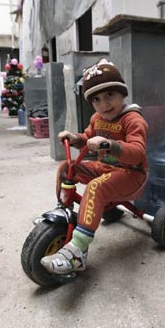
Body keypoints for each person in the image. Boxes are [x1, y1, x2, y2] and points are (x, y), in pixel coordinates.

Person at [40, 59, 148, 275]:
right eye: (96, 99)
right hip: (104, 169)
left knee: (96, 188)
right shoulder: (97, 118)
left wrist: (110, 145)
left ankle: (78, 251)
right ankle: (65, 210)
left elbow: (138, 151)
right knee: (65, 168)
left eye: (110, 95)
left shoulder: (133, 119)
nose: (104, 104)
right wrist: (76, 137)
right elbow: (88, 137)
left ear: (122, 93)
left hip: (131, 174)